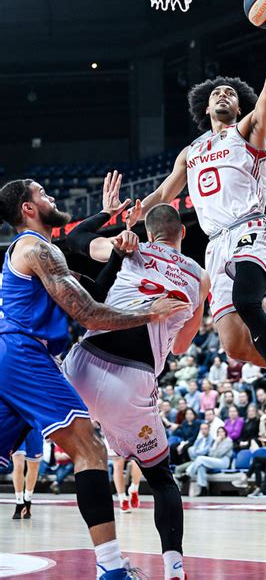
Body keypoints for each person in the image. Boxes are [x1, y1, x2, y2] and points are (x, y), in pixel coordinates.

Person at [132, 0, 266, 443]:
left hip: (253, 229)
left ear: (238, 107)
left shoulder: (247, 131)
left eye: (230, 93)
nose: (223, 94)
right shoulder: (191, 151)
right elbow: (165, 194)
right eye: (216, 92)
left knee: (247, 302)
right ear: (205, 106)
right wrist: (132, 212)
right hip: (216, 244)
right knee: (235, 346)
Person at [0, 178, 182, 580]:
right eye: (42, 193)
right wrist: (151, 315)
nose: (51, 196)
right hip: (22, 353)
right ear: (27, 209)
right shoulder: (35, 249)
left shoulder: (46, 254)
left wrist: (111, 226)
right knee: (90, 450)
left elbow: (97, 293)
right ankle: (112, 570)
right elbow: (91, 316)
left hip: (16, 356)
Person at [64, 195, 211, 580]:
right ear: (182, 233)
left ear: (148, 233)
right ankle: (174, 570)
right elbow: (179, 347)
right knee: (160, 477)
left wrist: (110, 216)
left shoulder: (129, 247)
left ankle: (110, 561)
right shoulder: (199, 275)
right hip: (129, 383)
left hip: (80, 364)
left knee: (86, 456)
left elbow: (76, 239)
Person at [187, 427, 233, 496]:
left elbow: (219, 454)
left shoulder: (228, 441)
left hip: (224, 461)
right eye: (218, 432)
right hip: (215, 461)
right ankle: (203, 489)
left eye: (222, 432)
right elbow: (210, 454)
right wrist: (215, 444)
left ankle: (188, 473)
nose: (220, 434)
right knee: (201, 466)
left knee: (200, 458)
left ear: (225, 433)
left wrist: (216, 444)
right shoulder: (216, 441)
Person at [11, 428, 42, 520]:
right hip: (16, 425)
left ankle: (27, 500)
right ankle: (19, 502)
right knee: (18, 465)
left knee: (33, 466)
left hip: (34, 426)